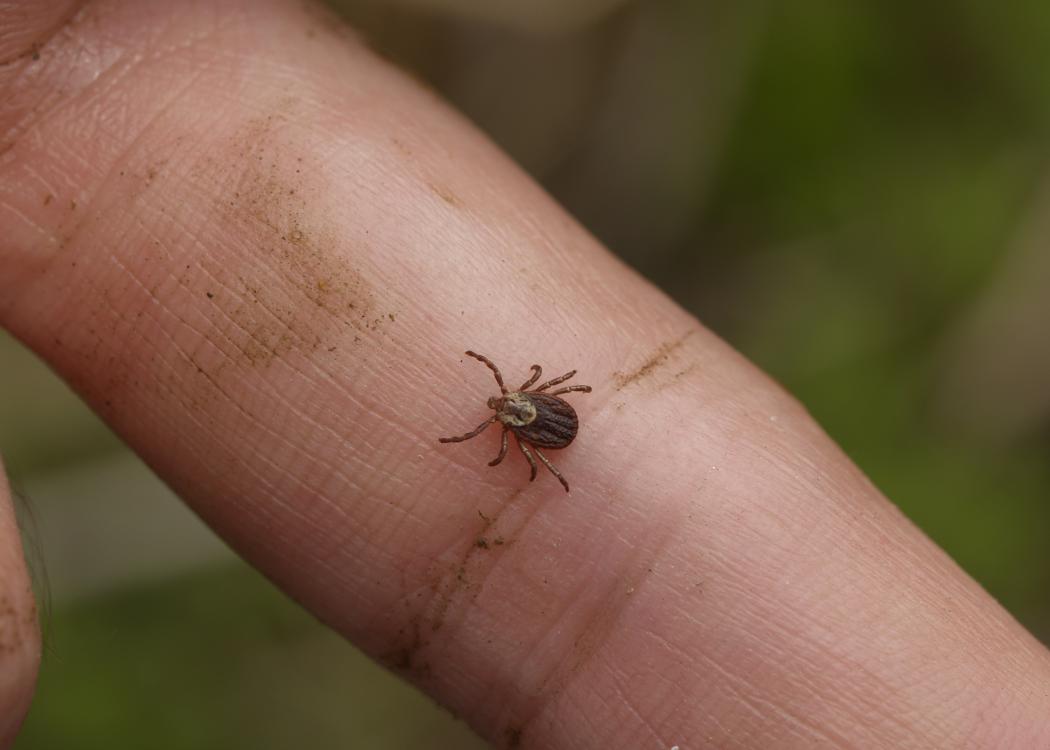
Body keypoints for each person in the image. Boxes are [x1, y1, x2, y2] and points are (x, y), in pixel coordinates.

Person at [1, 2, 1048, 747]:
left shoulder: (517, 420)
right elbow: (547, 406)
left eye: (509, 405)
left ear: (519, 406)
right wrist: (534, 433)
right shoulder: (531, 411)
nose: (505, 407)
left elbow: (532, 415)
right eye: (511, 405)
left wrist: (517, 438)